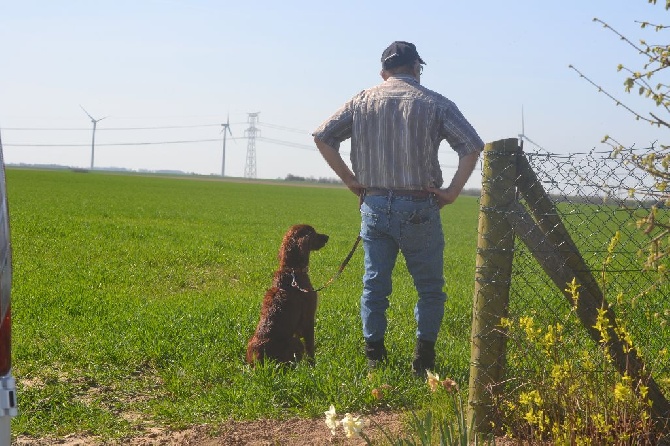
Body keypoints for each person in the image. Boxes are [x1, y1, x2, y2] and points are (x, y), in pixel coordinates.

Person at [312, 41, 484, 376]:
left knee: (375, 284)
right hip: (419, 204)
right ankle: (424, 361)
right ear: (417, 69)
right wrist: (451, 192)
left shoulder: (361, 101)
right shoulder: (435, 103)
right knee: (429, 288)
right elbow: (472, 146)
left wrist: (350, 180)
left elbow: (322, 136)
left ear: (383, 72)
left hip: (374, 203)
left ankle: (374, 356)